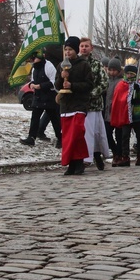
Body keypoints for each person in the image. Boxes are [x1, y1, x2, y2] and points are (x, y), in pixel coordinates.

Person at [54, 36, 93, 176]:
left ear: (76, 50)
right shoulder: (61, 66)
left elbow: (89, 85)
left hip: (79, 104)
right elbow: (57, 86)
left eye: (70, 49)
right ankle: (71, 163)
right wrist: (61, 76)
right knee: (68, 137)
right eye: (66, 49)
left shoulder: (84, 65)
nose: (68, 52)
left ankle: (79, 161)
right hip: (66, 106)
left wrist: (73, 85)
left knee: (77, 134)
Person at [110, 58, 140, 166]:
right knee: (125, 135)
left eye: (131, 73)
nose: (129, 76)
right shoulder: (121, 85)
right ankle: (125, 157)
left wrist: (138, 91)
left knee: (139, 135)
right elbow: (119, 100)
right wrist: (128, 97)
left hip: (137, 114)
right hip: (125, 115)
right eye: (127, 73)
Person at [19, 50, 62, 149]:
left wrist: (40, 86)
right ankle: (31, 137)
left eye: (34, 58)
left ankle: (60, 138)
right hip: (38, 97)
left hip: (49, 97)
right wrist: (32, 85)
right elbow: (33, 80)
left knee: (55, 119)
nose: (33, 61)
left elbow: (53, 82)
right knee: (35, 118)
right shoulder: (35, 68)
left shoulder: (49, 66)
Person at [79, 37, 110, 171]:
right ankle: (84, 156)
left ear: (91, 48)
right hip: (79, 105)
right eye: (82, 46)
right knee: (83, 133)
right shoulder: (76, 63)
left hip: (94, 105)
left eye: (86, 46)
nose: (84, 48)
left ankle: (96, 155)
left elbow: (104, 82)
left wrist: (92, 93)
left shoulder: (97, 65)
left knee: (95, 133)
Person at [104, 58, 124, 166]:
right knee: (107, 134)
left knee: (119, 135)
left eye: (114, 70)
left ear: (118, 70)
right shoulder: (106, 81)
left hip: (118, 112)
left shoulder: (121, 82)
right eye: (110, 69)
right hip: (107, 112)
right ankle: (115, 151)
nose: (112, 72)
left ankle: (119, 155)